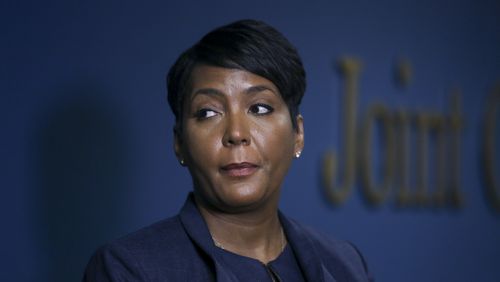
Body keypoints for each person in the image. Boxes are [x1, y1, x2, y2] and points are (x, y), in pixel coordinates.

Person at [83, 19, 373, 281]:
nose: (236, 133)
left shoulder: (345, 264)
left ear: (297, 134)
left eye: (259, 108)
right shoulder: (129, 269)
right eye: (208, 113)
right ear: (179, 142)